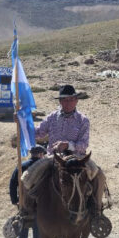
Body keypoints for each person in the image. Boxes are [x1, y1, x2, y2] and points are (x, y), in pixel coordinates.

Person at [23, 84, 107, 219]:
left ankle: (97, 211)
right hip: (53, 158)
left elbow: (83, 144)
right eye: (64, 100)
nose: (67, 103)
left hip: (78, 159)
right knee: (27, 176)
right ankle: (26, 211)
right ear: (60, 101)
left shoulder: (83, 120)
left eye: (71, 99)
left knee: (99, 175)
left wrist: (68, 145)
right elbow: (38, 133)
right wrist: (22, 123)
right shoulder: (51, 117)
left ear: (76, 100)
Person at [9, 145, 46, 238]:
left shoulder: (22, 166)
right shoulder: (44, 167)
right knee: (37, 226)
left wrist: (14, 199)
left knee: (23, 225)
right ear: (40, 154)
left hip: (24, 201)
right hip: (40, 201)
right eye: (43, 154)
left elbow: (12, 183)